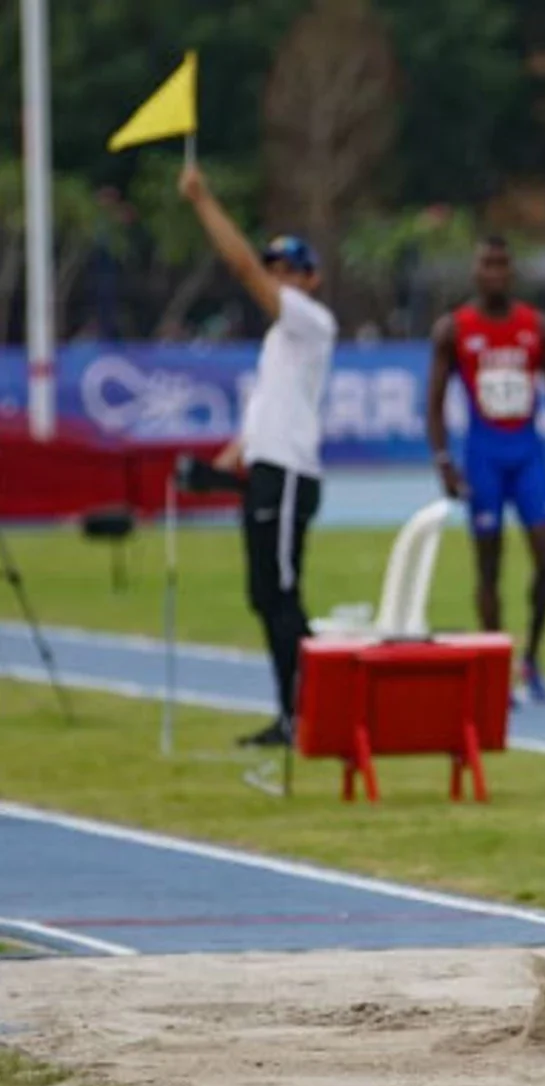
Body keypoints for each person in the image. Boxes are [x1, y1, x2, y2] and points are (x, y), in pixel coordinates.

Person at [180, 163, 336, 748]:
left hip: (291, 473)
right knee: (266, 596)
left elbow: (240, 266)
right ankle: (293, 712)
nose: (278, 279)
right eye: (275, 270)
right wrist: (221, 465)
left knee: (284, 595)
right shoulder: (277, 342)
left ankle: (312, 711)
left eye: (290, 271)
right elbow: (260, 417)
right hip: (266, 470)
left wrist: (203, 200)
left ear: (311, 280)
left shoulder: (312, 322)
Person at [426, 235, 545, 704]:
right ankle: (497, 664)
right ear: (475, 272)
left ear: (511, 273)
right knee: (488, 567)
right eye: (485, 265)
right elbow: (433, 405)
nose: (494, 273)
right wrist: (444, 463)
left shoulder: (536, 326)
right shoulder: (454, 329)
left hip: (528, 454)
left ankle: (531, 655)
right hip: (483, 457)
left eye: (501, 265)